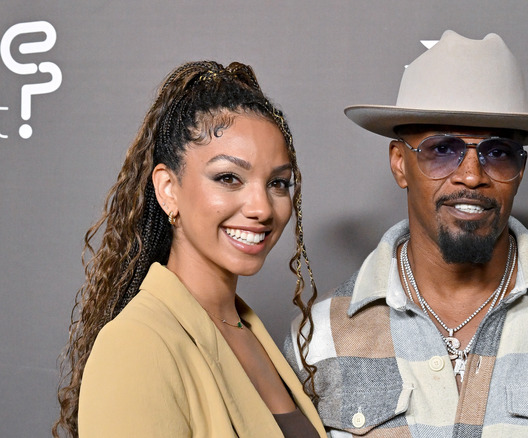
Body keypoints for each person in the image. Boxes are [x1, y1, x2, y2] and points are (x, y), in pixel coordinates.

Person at [284, 31, 528, 437]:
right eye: (442, 150)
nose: (472, 176)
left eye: (498, 153)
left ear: (520, 170)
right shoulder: (320, 336)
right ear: (400, 163)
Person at [53, 61, 325, 438]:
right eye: (229, 178)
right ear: (168, 189)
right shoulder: (136, 345)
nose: (262, 207)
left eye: (278, 183)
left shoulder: (250, 333)